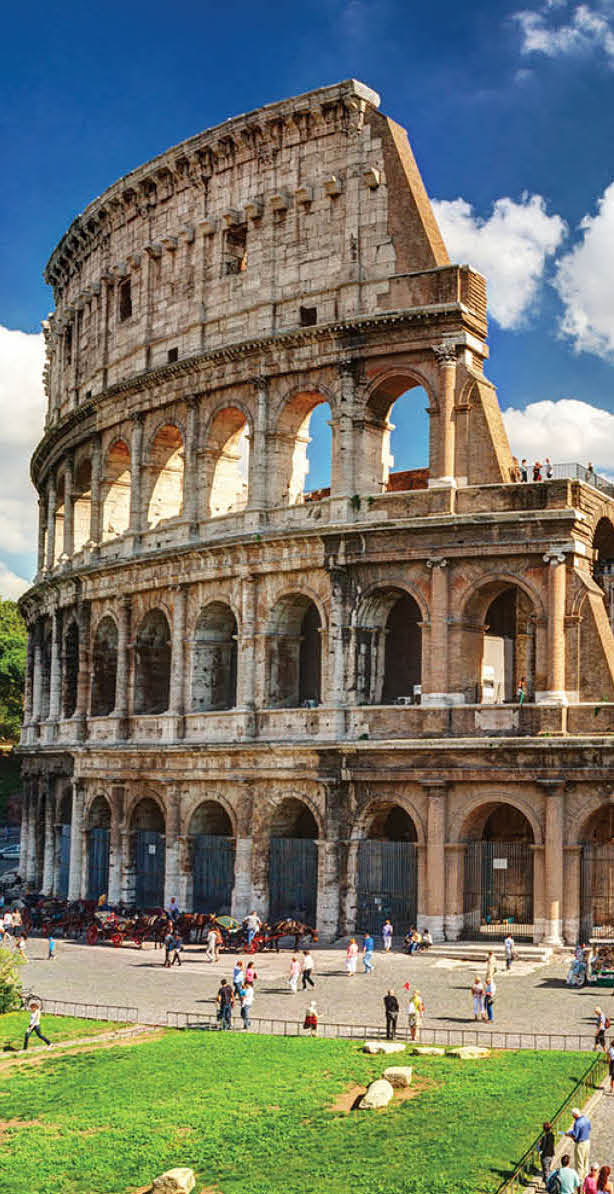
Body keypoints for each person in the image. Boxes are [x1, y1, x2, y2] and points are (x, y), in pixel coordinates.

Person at [566, 1108, 591, 1184]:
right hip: (587, 1141)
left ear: (575, 1115)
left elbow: (575, 1136)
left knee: (579, 1162)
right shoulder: (586, 1119)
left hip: (580, 1144)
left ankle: (580, 1181)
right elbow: (589, 1128)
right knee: (585, 1160)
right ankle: (586, 1177)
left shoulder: (577, 1123)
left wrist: (568, 1135)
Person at [538, 1121, 555, 1187]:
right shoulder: (552, 1136)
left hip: (545, 1156)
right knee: (548, 1170)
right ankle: (548, 1183)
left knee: (546, 1172)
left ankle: (548, 1186)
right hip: (551, 1155)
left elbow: (543, 1147)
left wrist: (539, 1145)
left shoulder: (544, 1137)